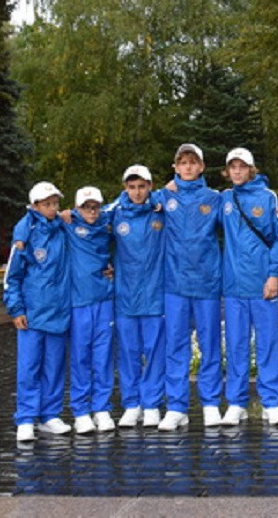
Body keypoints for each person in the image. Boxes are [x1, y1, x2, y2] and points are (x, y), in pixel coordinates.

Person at [219, 148, 278, 426]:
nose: (237, 171)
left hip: (263, 287)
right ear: (227, 171)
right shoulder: (223, 199)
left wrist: (274, 276)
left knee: (268, 343)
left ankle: (271, 402)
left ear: (251, 169)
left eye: (242, 167)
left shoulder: (268, 197)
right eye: (232, 167)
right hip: (234, 287)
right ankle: (236, 403)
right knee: (236, 345)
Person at [158, 143, 224, 431]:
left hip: (207, 283)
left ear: (201, 167)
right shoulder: (163, 196)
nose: (187, 167)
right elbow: (127, 207)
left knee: (209, 343)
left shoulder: (215, 198)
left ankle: (210, 403)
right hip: (175, 284)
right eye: (182, 162)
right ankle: (176, 407)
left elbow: (238, 223)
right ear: (175, 167)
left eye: (192, 162)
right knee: (175, 345)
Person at [3, 181, 72, 442]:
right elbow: (13, 274)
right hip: (32, 314)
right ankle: (26, 417)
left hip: (58, 311)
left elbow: (95, 217)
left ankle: (50, 415)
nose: (52, 208)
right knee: (30, 366)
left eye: (55, 203)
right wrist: (15, 308)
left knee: (54, 367)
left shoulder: (63, 228)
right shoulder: (26, 230)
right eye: (46, 204)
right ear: (35, 206)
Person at [110, 165, 166, 428]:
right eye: (131, 187)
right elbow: (87, 219)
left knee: (154, 351)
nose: (137, 192)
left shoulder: (161, 210)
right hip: (126, 296)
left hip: (155, 295)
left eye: (142, 186)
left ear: (150, 186)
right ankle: (132, 404)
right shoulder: (115, 213)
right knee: (128, 352)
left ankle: (152, 404)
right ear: (125, 188)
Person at [65, 186, 116, 434]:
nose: (91, 211)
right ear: (77, 209)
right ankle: (81, 410)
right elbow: (38, 217)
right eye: (86, 207)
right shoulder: (68, 225)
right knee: (81, 357)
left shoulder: (107, 224)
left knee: (103, 356)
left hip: (104, 300)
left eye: (95, 206)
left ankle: (102, 408)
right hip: (79, 303)